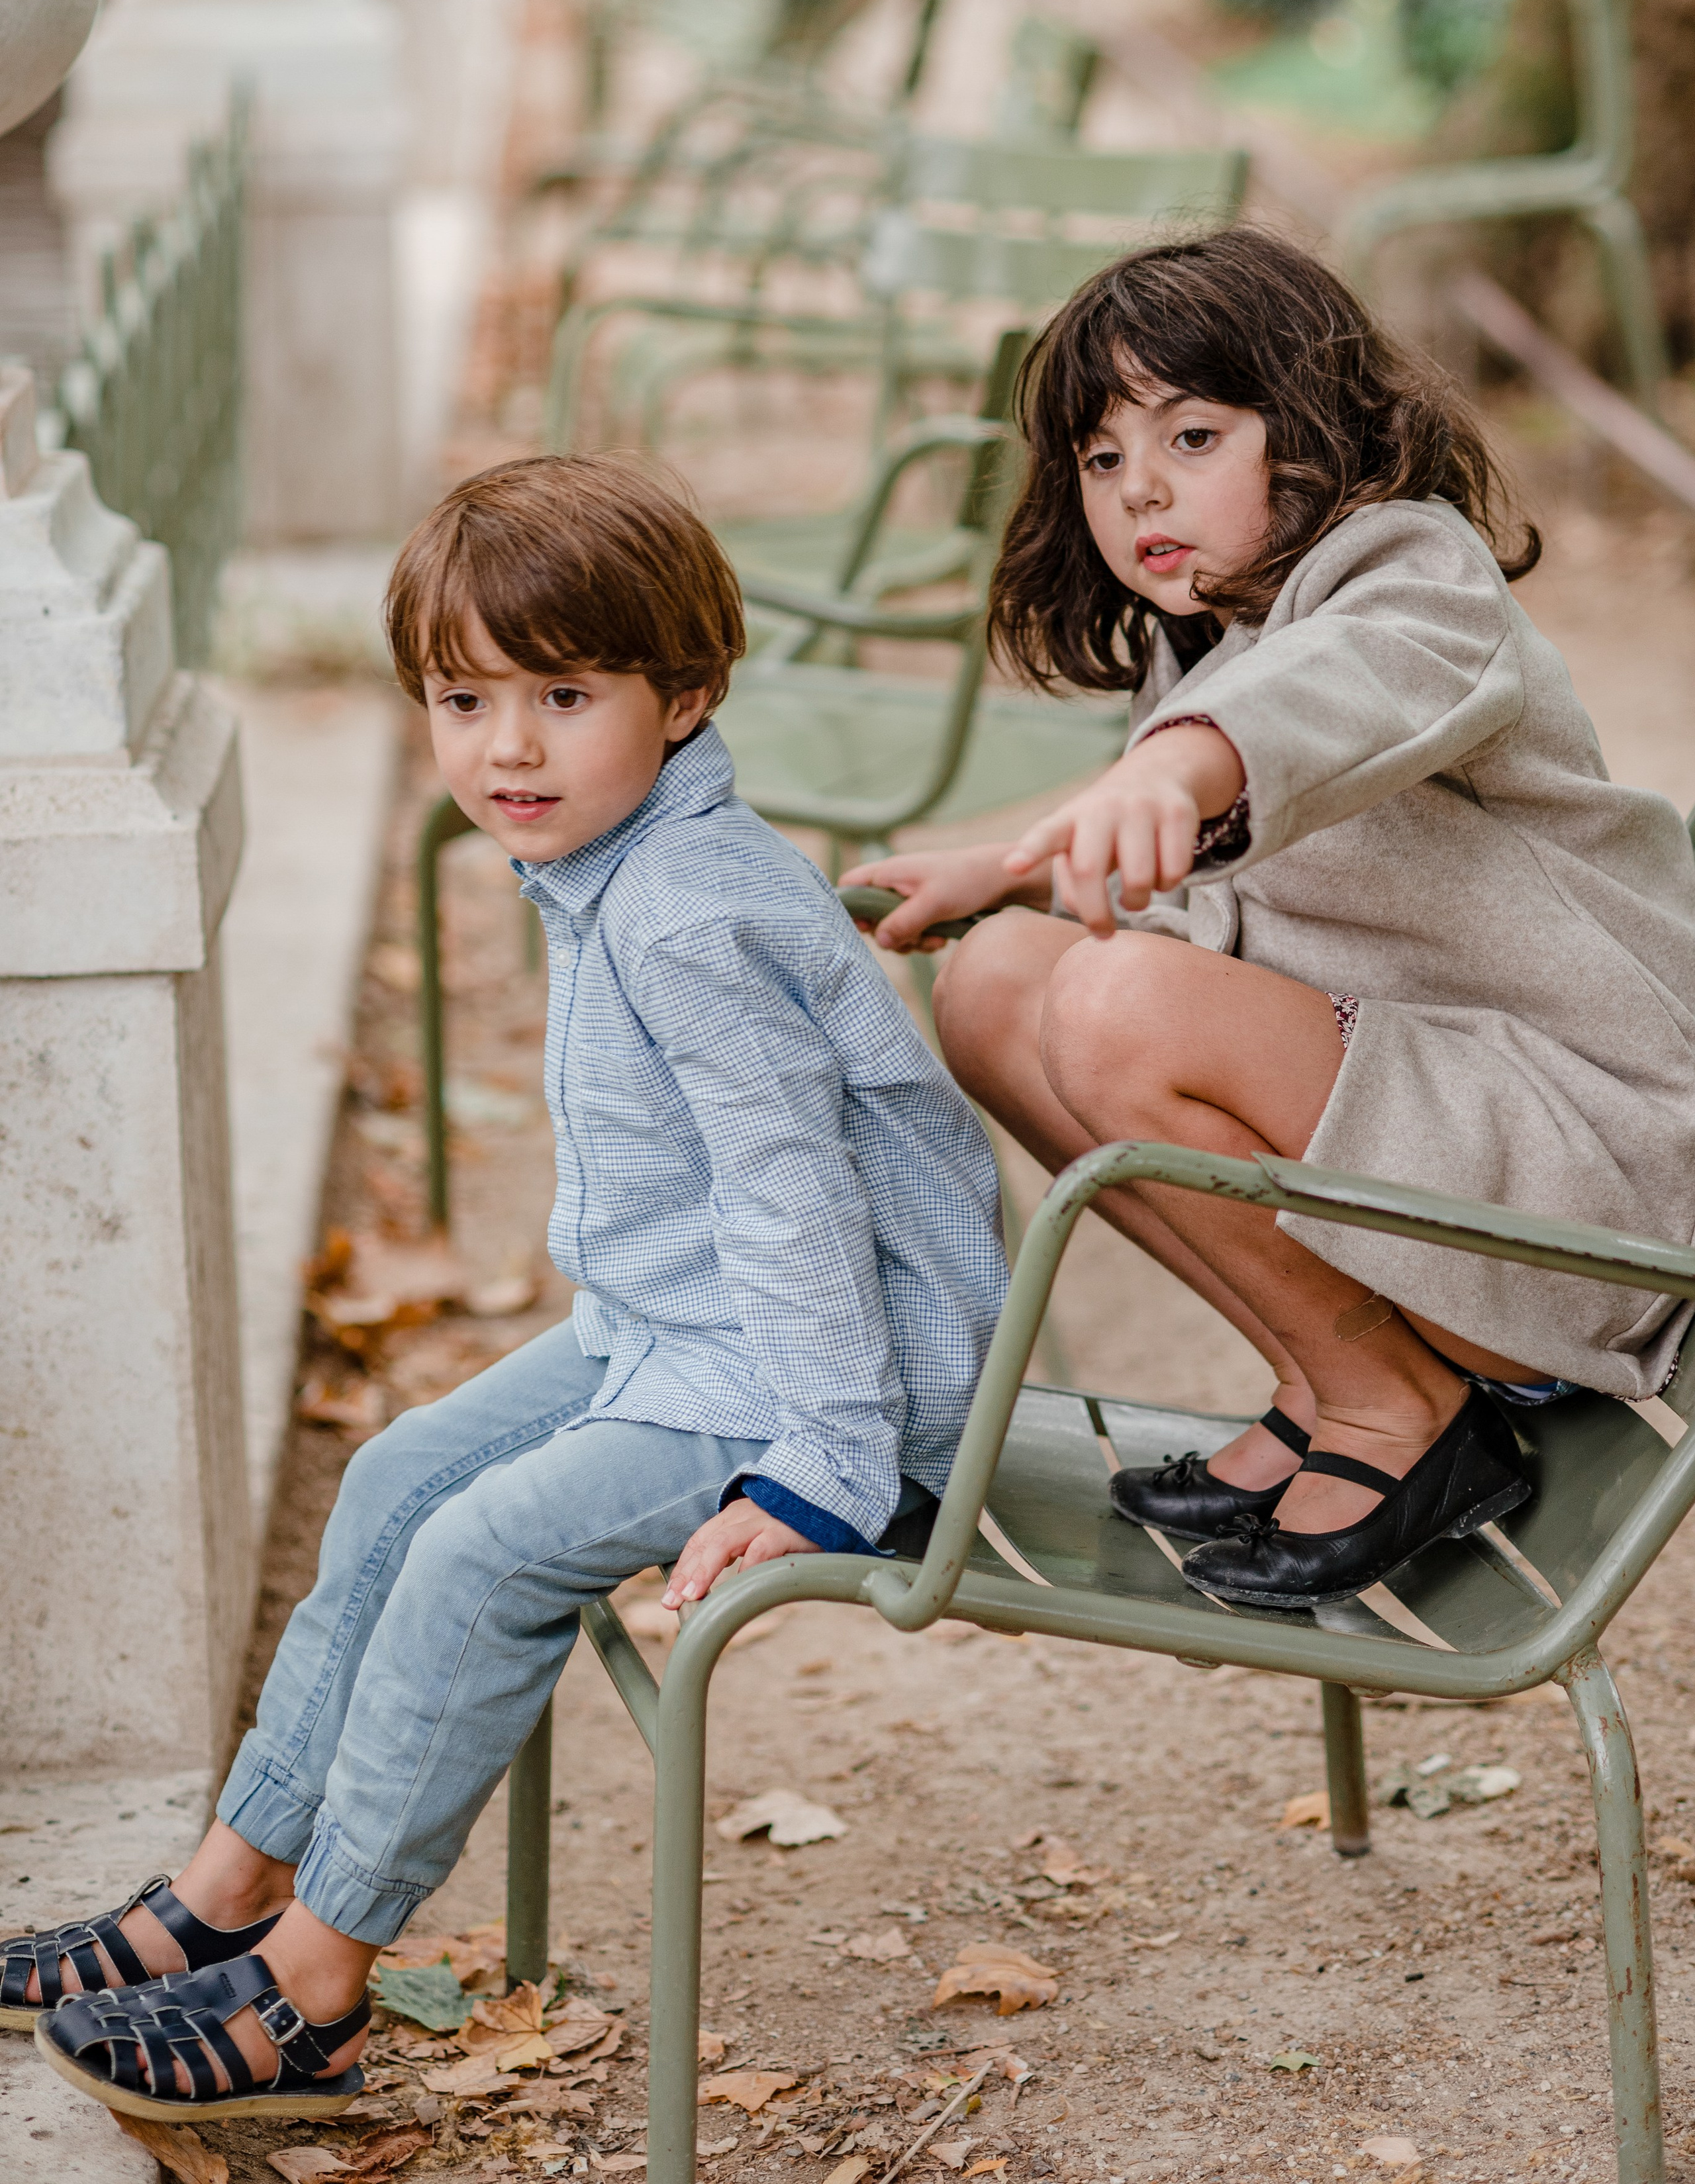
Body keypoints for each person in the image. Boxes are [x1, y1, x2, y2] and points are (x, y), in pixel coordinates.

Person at [17, 453, 1006, 2124]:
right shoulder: (616, 863)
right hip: (676, 1335)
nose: (508, 749)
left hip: (815, 1385)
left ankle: (314, 1987)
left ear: (683, 696)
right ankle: (225, 1886)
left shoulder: (682, 912)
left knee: (478, 1551)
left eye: (564, 695)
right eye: (463, 700)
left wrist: (827, 1466)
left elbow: (796, 1203)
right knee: (400, 1473)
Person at [846, 224, 1695, 1611]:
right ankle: (1335, 1373)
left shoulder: (1416, 576)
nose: (1138, 489)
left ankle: (1392, 1408)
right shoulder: (1209, 638)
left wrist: (1175, 768)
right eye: (1102, 459)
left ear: (1313, 433)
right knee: (997, 982)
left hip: (1590, 1185)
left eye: (1191, 437)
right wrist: (1009, 870)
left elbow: (1331, 697)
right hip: (1443, 1167)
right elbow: (1216, 849)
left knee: (1114, 1001)